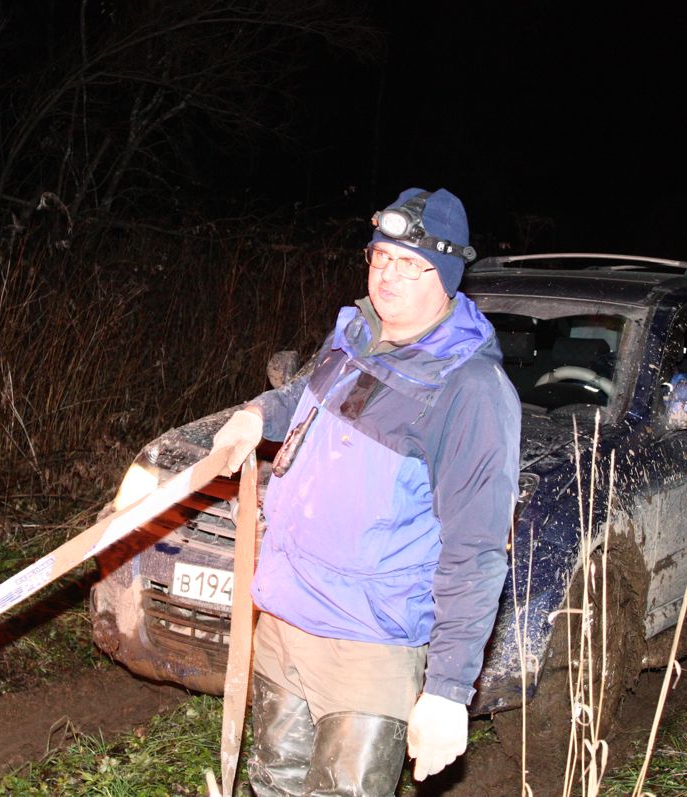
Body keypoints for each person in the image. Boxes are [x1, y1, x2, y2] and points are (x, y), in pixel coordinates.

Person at [210, 187, 521, 795]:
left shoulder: (470, 389)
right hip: (286, 616)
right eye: (381, 257)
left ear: (447, 276)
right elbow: (307, 398)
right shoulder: (355, 334)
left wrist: (448, 692)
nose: (388, 276)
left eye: (411, 264)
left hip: (369, 645)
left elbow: (476, 551)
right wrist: (259, 413)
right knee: (272, 785)